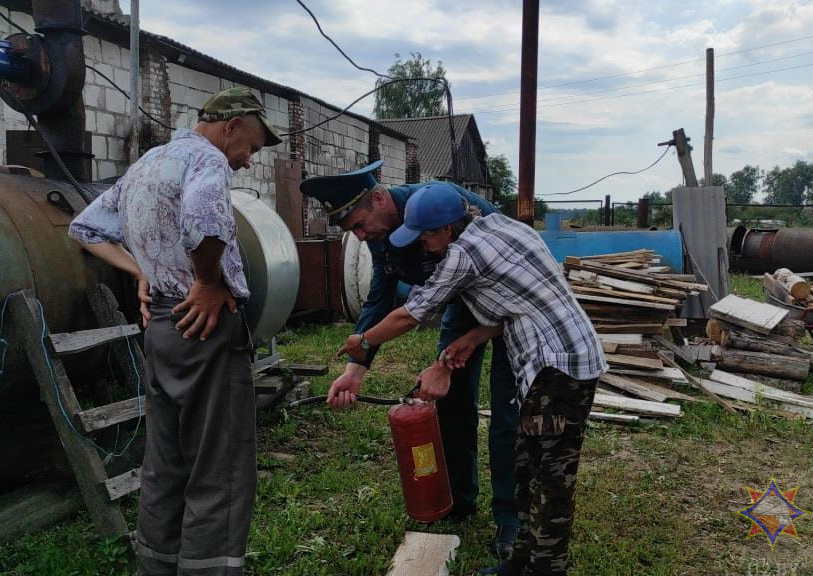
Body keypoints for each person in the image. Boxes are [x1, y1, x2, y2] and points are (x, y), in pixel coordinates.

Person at [337, 183, 607, 576]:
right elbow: (521, 300)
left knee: (550, 477)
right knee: (527, 464)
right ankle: (521, 561)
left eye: (428, 235)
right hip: (549, 358)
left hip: (558, 366)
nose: (424, 246)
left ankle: (546, 568)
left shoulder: (462, 255)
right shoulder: (505, 228)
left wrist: (362, 341)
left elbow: (410, 315)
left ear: (447, 229)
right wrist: (472, 337)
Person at [68, 86, 282, 576]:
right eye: (251, 145)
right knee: (219, 466)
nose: (248, 160)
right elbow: (204, 225)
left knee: (167, 460)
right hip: (205, 328)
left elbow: (86, 229)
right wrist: (208, 281)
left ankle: (158, 565)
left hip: (162, 327)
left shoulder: (148, 164)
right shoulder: (207, 160)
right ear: (231, 126)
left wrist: (143, 270)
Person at [300, 163, 521, 556]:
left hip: (511, 308)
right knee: (450, 403)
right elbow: (381, 294)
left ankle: (510, 519)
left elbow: (411, 314)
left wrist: (364, 342)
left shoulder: (444, 204)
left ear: (380, 198)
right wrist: (356, 370)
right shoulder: (379, 229)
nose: (361, 236)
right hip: (460, 304)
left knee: (507, 413)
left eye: (360, 225)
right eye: (353, 230)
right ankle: (458, 500)